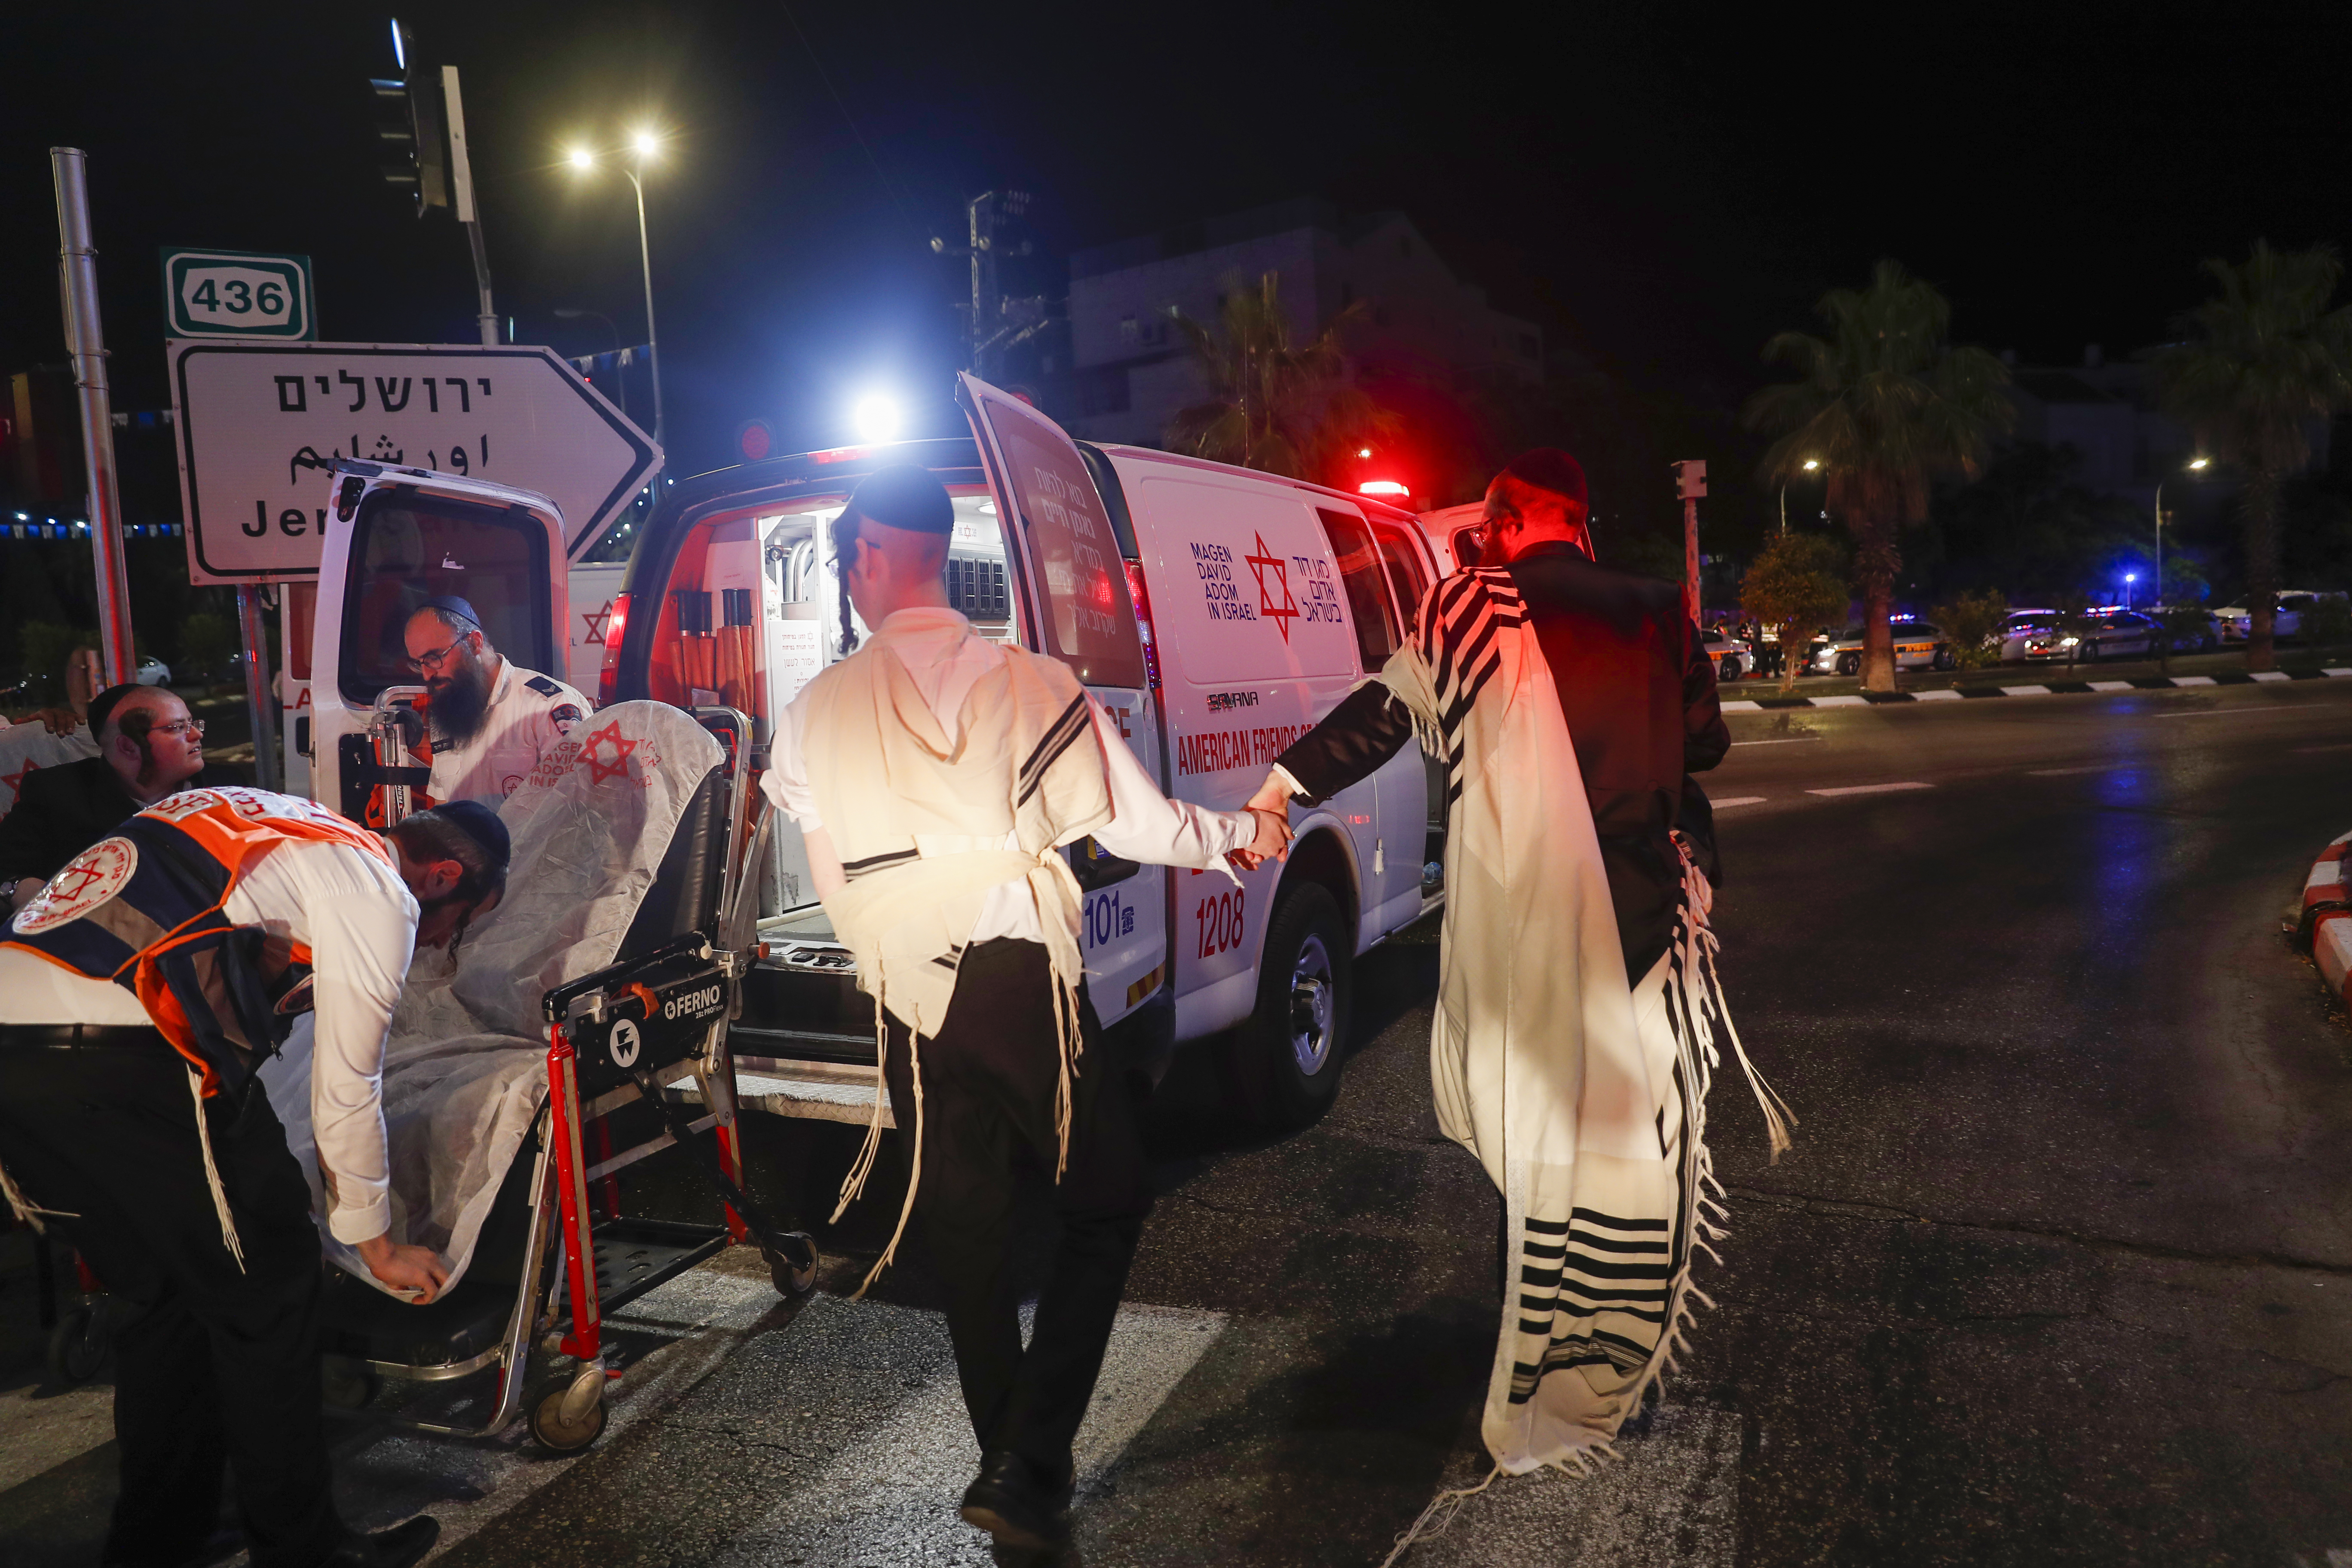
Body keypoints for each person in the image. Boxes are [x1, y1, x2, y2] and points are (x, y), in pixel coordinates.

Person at [763, 466, 1286, 1562]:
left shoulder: (813, 708)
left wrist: (878, 945)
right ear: (934, 549)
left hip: (905, 989)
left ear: (867, 556)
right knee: (1103, 1202)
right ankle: (1025, 1466)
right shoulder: (1028, 681)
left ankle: (1012, 1470)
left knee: (966, 1233)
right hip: (1012, 971)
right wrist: (1233, 836)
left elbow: (819, 859)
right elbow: (1135, 826)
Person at [1245, 449, 1790, 1490]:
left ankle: (1534, 1361)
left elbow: (1380, 717)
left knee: (1535, 1151)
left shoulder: (1466, 609)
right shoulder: (1653, 607)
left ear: (1495, 522)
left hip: (1521, 927)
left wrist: (1279, 787)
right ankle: (1619, 1386)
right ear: (1577, 522)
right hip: (1641, 924)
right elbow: (1705, 750)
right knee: (1637, 1151)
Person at [0, 790, 512, 1568]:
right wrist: (372, 1240)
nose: (441, 943)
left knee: (163, 1300)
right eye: (458, 925)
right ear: (441, 877)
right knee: (269, 1288)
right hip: (131, 1055)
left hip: (17, 1057)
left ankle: (161, 1536)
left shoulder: (274, 818)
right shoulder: (375, 890)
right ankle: (304, 1550)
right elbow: (349, 1080)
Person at [1, 682, 224, 911]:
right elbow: (7, 868)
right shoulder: (58, 793)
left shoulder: (226, 786)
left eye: (192, 723)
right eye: (178, 727)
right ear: (128, 746)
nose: (197, 734)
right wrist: (19, 888)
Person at [399, 597, 588, 806]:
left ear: (474, 643)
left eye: (434, 658)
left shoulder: (547, 705)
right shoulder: (448, 709)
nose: (427, 675)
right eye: (419, 664)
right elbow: (442, 804)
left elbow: (577, 807)